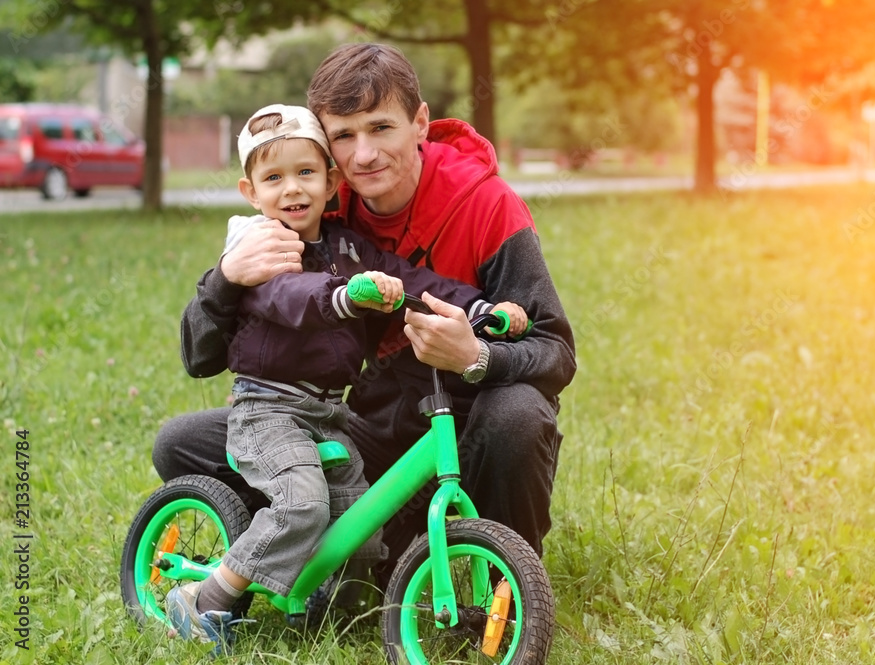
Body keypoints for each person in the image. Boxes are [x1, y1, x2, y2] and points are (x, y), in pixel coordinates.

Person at [153, 43, 576, 592]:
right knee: (182, 443)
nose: (364, 156)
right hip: (369, 430)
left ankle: (507, 587)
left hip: (469, 432)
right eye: (344, 136)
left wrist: (477, 356)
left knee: (518, 412)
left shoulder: (489, 206)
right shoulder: (314, 197)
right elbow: (200, 356)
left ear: (420, 122)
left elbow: (555, 352)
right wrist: (226, 279)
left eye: (381, 129)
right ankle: (311, 551)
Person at [165, 103, 525, 652]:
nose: (293, 190)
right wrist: (341, 296)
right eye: (274, 178)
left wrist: (480, 308)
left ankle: (329, 605)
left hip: (329, 411)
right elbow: (282, 296)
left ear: (332, 181)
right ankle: (207, 598)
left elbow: (412, 278)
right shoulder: (258, 244)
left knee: (359, 517)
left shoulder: (348, 247)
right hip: (268, 408)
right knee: (301, 502)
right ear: (250, 190)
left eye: (306, 173)